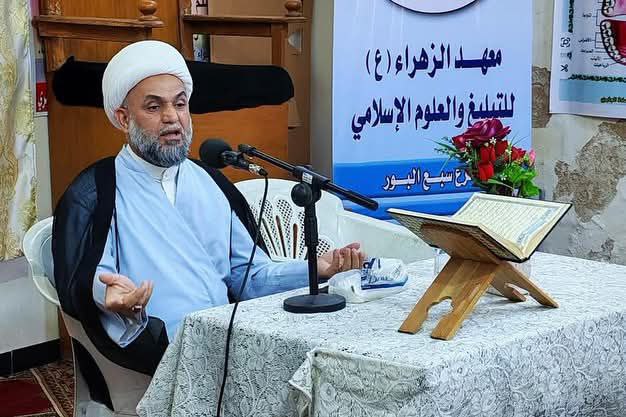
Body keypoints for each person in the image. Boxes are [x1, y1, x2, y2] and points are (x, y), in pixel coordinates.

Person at [52, 40, 365, 374]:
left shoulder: (210, 182)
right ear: (123, 118)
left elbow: (250, 276)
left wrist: (315, 269)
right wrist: (109, 296)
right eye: (154, 107)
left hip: (227, 341)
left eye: (180, 104)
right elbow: (91, 278)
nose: (172, 118)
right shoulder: (98, 191)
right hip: (158, 350)